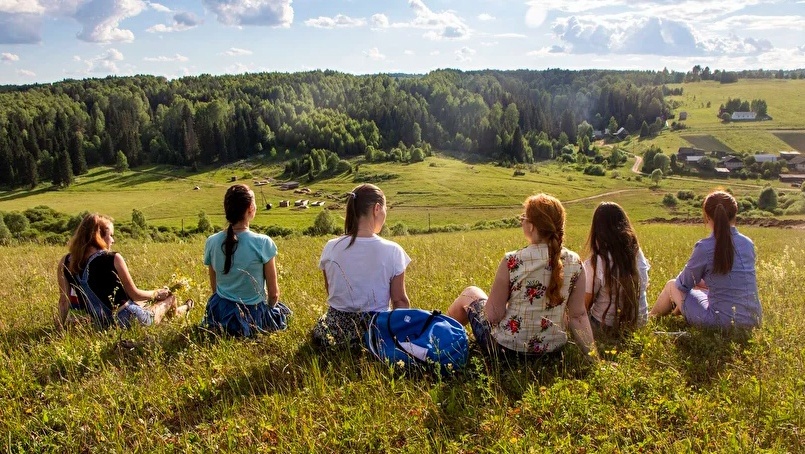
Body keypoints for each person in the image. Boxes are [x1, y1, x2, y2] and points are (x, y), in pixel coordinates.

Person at [447, 194, 597, 360]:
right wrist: (595, 360)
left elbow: (493, 316)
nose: (521, 221)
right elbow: (578, 316)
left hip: (506, 352)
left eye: (524, 217)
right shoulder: (576, 262)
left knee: (470, 292)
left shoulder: (512, 260)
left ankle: (441, 342)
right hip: (552, 353)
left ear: (532, 226)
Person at [312, 183, 411, 348]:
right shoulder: (393, 251)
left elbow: (332, 291)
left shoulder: (330, 246)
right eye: (386, 209)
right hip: (375, 332)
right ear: (377, 209)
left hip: (335, 331)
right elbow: (400, 301)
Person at [56, 213, 191, 329]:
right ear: (100, 236)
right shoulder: (113, 258)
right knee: (170, 297)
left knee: (142, 303)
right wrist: (157, 293)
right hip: (130, 319)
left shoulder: (65, 261)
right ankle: (182, 311)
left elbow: (64, 301)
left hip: (100, 323)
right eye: (111, 235)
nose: (113, 240)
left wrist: (59, 329)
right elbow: (135, 294)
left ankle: (180, 311)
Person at [650, 190, 761, 327]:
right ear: (735, 214)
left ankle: (649, 320)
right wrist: (700, 283)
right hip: (753, 320)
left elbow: (683, 284)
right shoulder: (747, 244)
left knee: (672, 285)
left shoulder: (705, 247)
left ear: (707, 217)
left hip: (720, 324)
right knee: (700, 288)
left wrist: (696, 282)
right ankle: (675, 313)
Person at [202, 184, 291, 337]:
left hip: (221, 312)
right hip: (252, 314)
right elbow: (274, 294)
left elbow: (215, 288)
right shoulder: (263, 242)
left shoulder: (212, 241)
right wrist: (267, 312)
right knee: (285, 312)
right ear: (251, 208)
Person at [583, 202, 650, 333]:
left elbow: (584, 305)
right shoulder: (637, 253)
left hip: (606, 325)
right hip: (640, 322)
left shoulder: (597, 261)